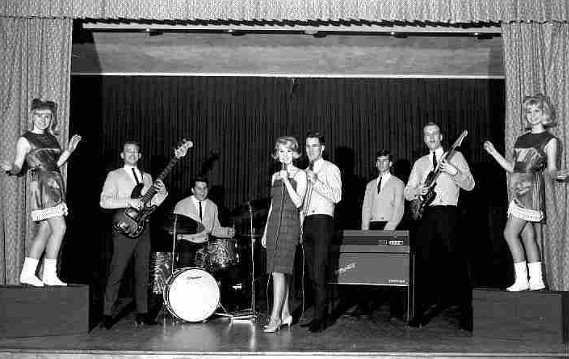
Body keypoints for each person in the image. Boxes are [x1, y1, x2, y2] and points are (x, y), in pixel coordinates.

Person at [484, 94, 567, 291]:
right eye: (529, 111)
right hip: (516, 187)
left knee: (509, 233)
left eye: (537, 110)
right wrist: (494, 153)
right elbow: (513, 167)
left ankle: (523, 280)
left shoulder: (550, 140)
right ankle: (536, 280)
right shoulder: (521, 139)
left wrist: (558, 175)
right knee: (527, 235)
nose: (532, 115)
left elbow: (552, 169)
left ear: (545, 113)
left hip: (529, 189)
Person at [1, 98, 81, 287]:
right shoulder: (25, 139)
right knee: (60, 228)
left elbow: (56, 164)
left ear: (51, 119)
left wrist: (69, 150)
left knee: (45, 231)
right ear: (32, 116)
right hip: (43, 185)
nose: (43, 119)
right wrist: (10, 168)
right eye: (39, 115)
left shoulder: (52, 138)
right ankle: (48, 274)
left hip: (55, 182)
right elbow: (18, 166)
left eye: (47, 116)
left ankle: (28, 273)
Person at [404, 122, 475, 330]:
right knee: (422, 265)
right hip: (427, 215)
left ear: (442, 136)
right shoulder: (419, 163)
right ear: (424, 139)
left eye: (435, 133)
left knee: (457, 265)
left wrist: (453, 171)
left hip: (448, 213)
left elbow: (470, 185)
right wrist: (419, 189)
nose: (431, 137)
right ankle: (417, 315)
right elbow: (407, 192)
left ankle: (466, 318)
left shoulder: (456, 157)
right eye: (427, 134)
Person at [99, 140, 168, 328]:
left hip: (144, 228)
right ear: (122, 155)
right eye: (128, 151)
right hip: (124, 226)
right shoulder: (114, 175)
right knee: (117, 270)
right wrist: (129, 201)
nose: (131, 154)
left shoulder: (147, 177)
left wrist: (163, 193)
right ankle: (107, 314)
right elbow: (104, 202)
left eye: (135, 151)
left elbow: (152, 205)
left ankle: (143, 313)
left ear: (139, 156)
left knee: (143, 272)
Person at [261, 136, 307, 333]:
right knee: (279, 271)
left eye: (289, 151)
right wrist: (265, 231)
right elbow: (272, 205)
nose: (285, 155)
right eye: (281, 151)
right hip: (273, 226)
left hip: (290, 225)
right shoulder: (274, 176)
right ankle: (286, 313)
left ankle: (275, 318)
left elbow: (298, 203)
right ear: (276, 154)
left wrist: (287, 180)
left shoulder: (301, 175)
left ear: (295, 153)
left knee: (280, 271)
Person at [301, 131, 342, 333]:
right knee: (311, 273)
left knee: (319, 270)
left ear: (322, 148)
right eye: (308, 146)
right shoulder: (303, 171)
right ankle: (317, 316)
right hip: (307, 222)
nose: (310, 150)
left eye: (315, 146)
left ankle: (321, 318)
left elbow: (337, 196)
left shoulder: (331, 168)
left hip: (323, 222)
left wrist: (315, 181)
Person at [173, 177, 235, 269]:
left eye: (205, 188)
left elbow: (214, 229)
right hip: (186, 244)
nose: (202, 191)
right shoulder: (181, 205)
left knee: (206, 273)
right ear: (193, 190)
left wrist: (227, 232)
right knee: (186, 272)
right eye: (199, 188)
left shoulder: (213, 206)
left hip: (204, 245)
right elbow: (175, 228)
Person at [362, 149, 405, 231]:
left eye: (384, 161)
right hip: (373, 225)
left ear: (390, 163)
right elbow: (366, 208)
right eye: (379, 161)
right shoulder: (370, 185)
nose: (381, 164)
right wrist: (365, 230)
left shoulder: (398, 183)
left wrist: (389, 228)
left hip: (391, 226)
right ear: (376, 164)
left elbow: (398, 209)